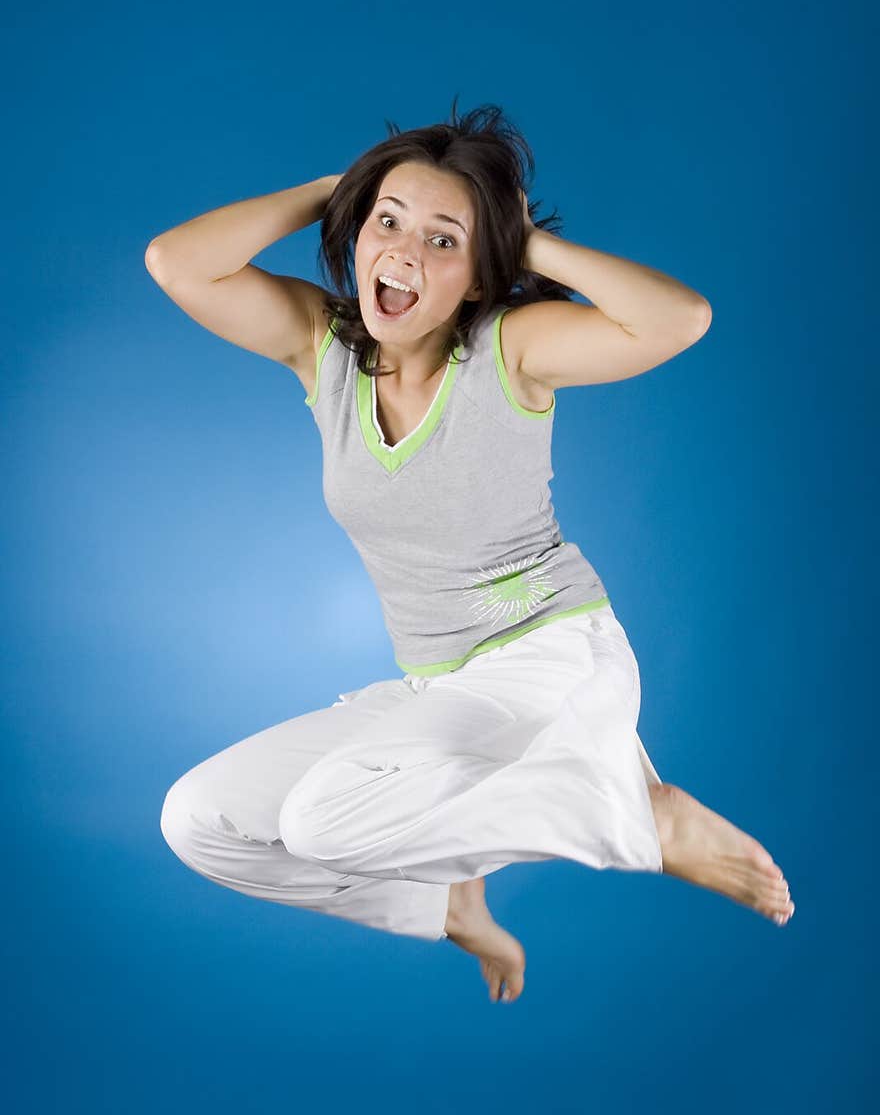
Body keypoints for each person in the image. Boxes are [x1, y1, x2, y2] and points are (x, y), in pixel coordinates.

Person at [146, 99, 794, 1004]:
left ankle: (642, 820)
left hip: (552, 658)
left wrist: (524, 243)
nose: (404, 252)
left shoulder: (508, 351)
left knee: (325, 820)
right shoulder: (322, 350)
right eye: (388, 224)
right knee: (199, 821)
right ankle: (445, 902)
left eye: (444, 242)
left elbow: (677, 319)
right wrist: (338, 190)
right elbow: (176, 262)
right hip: (441, 686)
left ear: (481, 278)